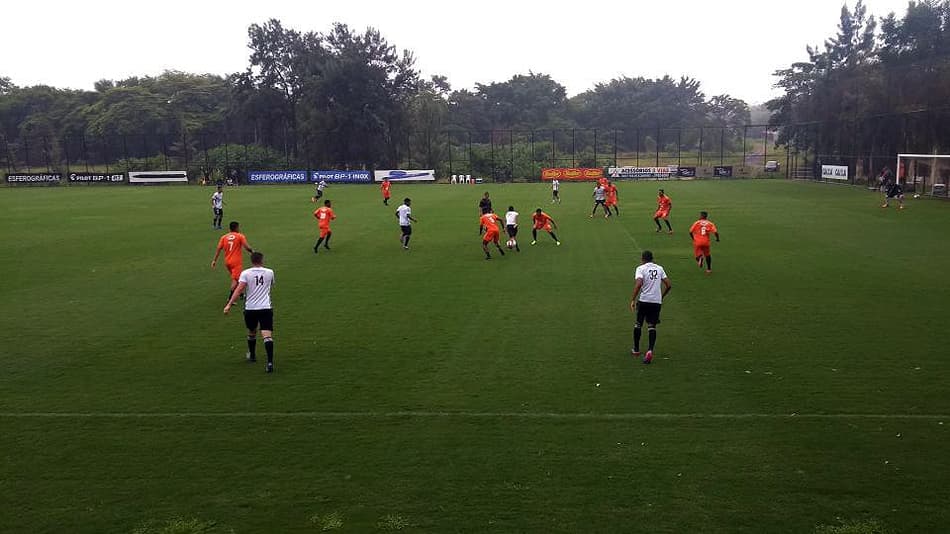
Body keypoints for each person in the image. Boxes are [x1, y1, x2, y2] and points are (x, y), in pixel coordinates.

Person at [224, 251, 276, 373]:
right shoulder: (270, 272)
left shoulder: (246, 273)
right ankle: (269, 363)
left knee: (252, 331)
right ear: (262, 260)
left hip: (251, 308)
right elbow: (271, 285)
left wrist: (229, 304)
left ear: (252, 261)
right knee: (267, 336)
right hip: (265, 307)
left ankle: (252, 356)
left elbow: (239, 289)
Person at [630, 250, 672, 364]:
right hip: (656, 301)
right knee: (652, 326)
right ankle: (650, 350)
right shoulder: (659, 268)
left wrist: (633, 299)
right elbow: (669, 285)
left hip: (644, 300)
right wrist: (661, 296)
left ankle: (636, 349)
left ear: (642, 259)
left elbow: (638, 284)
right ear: (652, 258)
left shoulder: (640, 269)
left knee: (638, 324)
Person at [211, 221, 254, 301]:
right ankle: (230, 298)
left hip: (227, 262)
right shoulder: (240, 236)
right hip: (236, 262)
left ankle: (241, 294)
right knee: (236, 279)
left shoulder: (224, 237)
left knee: (237, 278)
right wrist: (253, 252)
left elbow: (218, 249)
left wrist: (214, 260)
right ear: (236, 228)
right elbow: (247, 247)